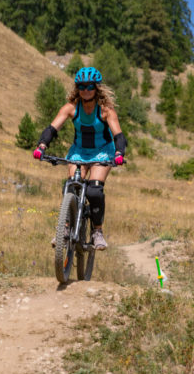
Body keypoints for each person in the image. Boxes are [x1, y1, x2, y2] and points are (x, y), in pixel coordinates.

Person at [33, 66, 126, 250]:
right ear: (77, 88)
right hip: (79, 151)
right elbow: (52, 128)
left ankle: (97, 231)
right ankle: (65, 229)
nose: (85, 90)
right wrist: (42, 146)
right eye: (82, 87)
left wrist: (119, 153)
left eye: (89, 86)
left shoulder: (106, 111)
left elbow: (119, 136)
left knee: (94, 191)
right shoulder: (71, 109)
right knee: (71, 185)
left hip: (102, 151)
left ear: (96, 88)